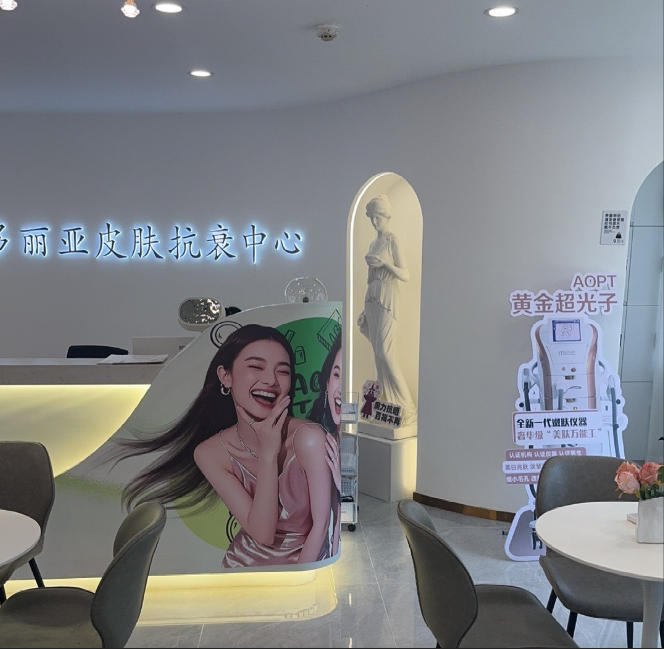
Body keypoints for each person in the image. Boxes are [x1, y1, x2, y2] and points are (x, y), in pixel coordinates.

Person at [118, 324, 335, 568]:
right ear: (225, 376)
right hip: (243, 566)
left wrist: (301, 581)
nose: (270, 380)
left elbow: (322, 526)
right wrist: (268, 454)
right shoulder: (209, 453)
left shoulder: (309, 438)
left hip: (302, 568)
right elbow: (262, 534)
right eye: (256, 367)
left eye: (283, 371)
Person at [357, 193, 416, 425]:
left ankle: (406, 405)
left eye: (377, 217)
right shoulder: (373, 243)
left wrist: (386, 264)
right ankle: (384, 402)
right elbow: (369, 278)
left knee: (386, 353)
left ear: (386, 216)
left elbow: (405, 274)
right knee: (377, 355)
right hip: (372, 296)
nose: (374, 222)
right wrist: (364, 309)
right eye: (371, 218)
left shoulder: (392, 240)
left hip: (388, 295)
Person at [308, 332, 342, 557]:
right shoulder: (321, 440)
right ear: (327, 382)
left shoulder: (346, 445)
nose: (340, 389)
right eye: (337, 375)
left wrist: (341, 484)